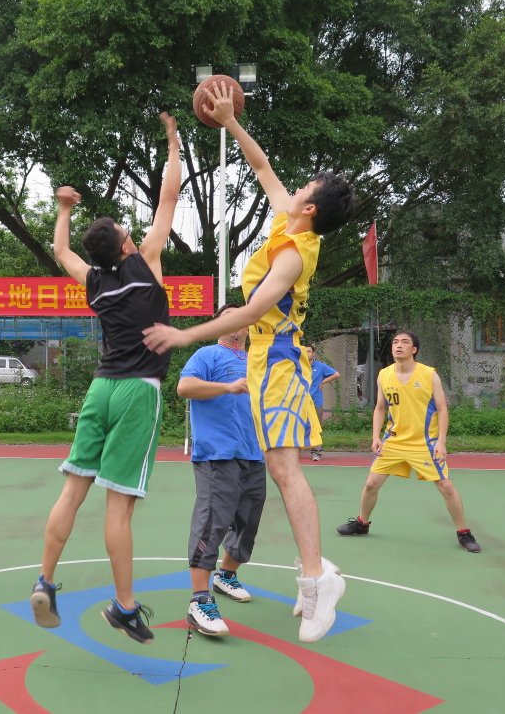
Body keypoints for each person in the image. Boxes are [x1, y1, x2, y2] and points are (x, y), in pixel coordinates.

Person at [143, 83, 356, 643]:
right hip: (265, 363)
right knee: (282, 470)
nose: (292, 188)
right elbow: (261, 166)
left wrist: (185, 333)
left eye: (302, 189)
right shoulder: (289, 224)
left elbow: (251, 311)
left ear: (309, 208)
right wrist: (230, 121)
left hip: (279, 362)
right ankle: (316, 569)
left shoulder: (293, 254)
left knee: (285, 470)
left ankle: (316, 578)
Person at [29, 112, 181, 644]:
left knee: (73, 491)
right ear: (126, 245)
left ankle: (45, 580)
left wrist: (63, 209)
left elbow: (61, 251)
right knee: (119, 507)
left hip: (101, 388)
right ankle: (124, 606)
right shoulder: (146, 262)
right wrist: (172, 142)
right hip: (138, 391)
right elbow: (169, 196)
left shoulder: (94, 282)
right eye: (126, 231)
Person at [336, 330, 482, 553]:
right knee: (371, 484)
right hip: (393, 441)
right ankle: (362, 523)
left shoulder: (429, 375)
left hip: (424, 443)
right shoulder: (384, 375)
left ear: (414, 349)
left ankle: (464, 532)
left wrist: (441, 442)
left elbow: (442, 409)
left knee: (446, 486)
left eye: (405, 342)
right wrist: (375, 436)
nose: (399, 345)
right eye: (395, 342)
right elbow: (380, 408)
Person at [177, 303, 266, 637]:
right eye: (225, 317)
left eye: (239, 318)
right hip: (217, 454)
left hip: (253, 454)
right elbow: (184, 388)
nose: (234, 323)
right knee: (212, 521)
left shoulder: (257, 360)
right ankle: (199, 599)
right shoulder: (207, 356)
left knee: (248, 521)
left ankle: (226, 575)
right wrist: (228, 387)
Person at [306, 346, 340, 461]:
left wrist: (323, 381)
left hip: (316, 402)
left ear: (313, 353)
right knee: (298, 427)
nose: (307, 353)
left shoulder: (320, 366)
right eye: (304, 351)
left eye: (309, 351)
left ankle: (316, 452)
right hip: (301, 403)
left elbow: (336, 374)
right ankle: (295, 452)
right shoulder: (299, 366)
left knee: (316, 428)